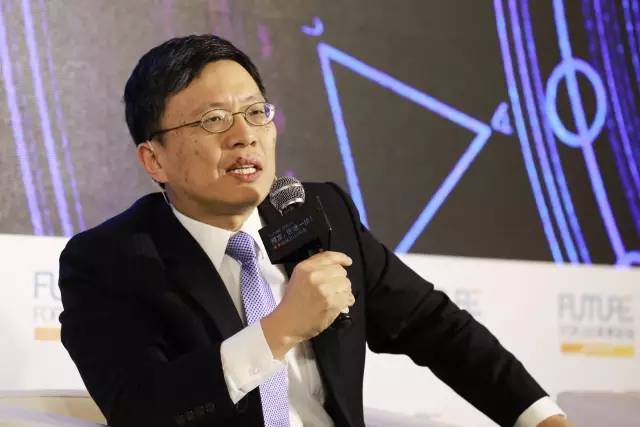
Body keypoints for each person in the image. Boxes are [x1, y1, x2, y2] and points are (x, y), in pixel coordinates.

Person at [58, 34, 572, 427]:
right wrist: (280, 329)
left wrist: (541, 418)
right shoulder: (108, 262)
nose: (244, 136)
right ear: (155, 159)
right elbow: (142, 409)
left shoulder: (319, 212)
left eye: (255, 113)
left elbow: (436, 327)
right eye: (214, 120)